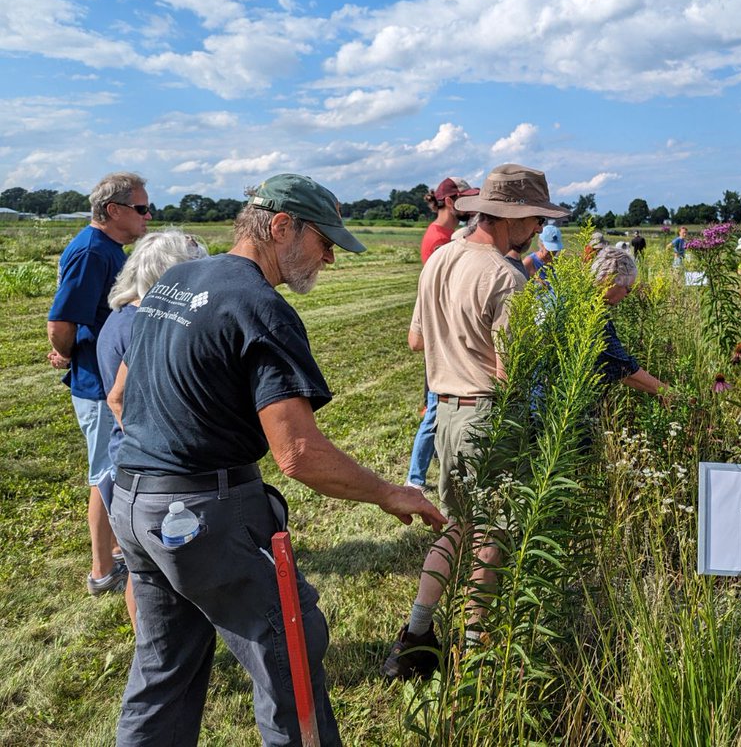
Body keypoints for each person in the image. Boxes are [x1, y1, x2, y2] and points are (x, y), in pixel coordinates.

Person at [107, 174, 445, 746]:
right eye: (325, 242)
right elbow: (298, 453)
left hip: (133, 505)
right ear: (282, 227)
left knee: (161, 673)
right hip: (202, 514)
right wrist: (392, 492)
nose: (331, 259)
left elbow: (121, 393)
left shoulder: (176, 280)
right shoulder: (259, 306)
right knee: (291, 649)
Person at [384, 163, 569, 681]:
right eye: (533, 219)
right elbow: (514, 369)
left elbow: (416, 341)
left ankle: (418, 632)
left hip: (444, 411)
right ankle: (475, 647)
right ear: (512, 217)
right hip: (488, 412)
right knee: (495, 531)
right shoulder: (506, 277)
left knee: (459, 525)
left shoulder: (440, 258)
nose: (536, 229)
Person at [97, 229, 209, 627]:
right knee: (159, 573)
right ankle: (156, 642)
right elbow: (125, 399)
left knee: (143, 569)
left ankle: (150, 645)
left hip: (127, 464)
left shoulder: (119, 316)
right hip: (151, 471)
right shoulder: (148, 322)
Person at [47, 171, 151, 597]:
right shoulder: (92, 252)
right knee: (107, 473)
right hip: (97, 382)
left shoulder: (108, 248)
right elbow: (61, 320)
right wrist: (70, 354)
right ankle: (103, 570)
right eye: (142, 209)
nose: (149, 217)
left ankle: (113, 552)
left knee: (110, 469)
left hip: (108, 375)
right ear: (113, 210)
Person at [406, 177, 479, 490]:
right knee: (435, 409)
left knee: (437, 407)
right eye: (465, 199)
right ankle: (416, 478)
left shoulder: (448, 235)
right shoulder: (440, 239)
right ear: (451, 202)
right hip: (443, 335)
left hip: (446, 333)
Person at [591, 247, 671, 394]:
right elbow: (624, 367)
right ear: (610, 280)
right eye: (628, 289)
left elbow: (618, 368)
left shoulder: (583, 299)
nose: (627, 295)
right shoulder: (595, 317)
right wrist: (669, 393)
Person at [420, 177, 479, 263]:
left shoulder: (443, 231)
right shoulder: (440, 240)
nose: (470, 206)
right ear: (449, 202)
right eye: (465, 201)